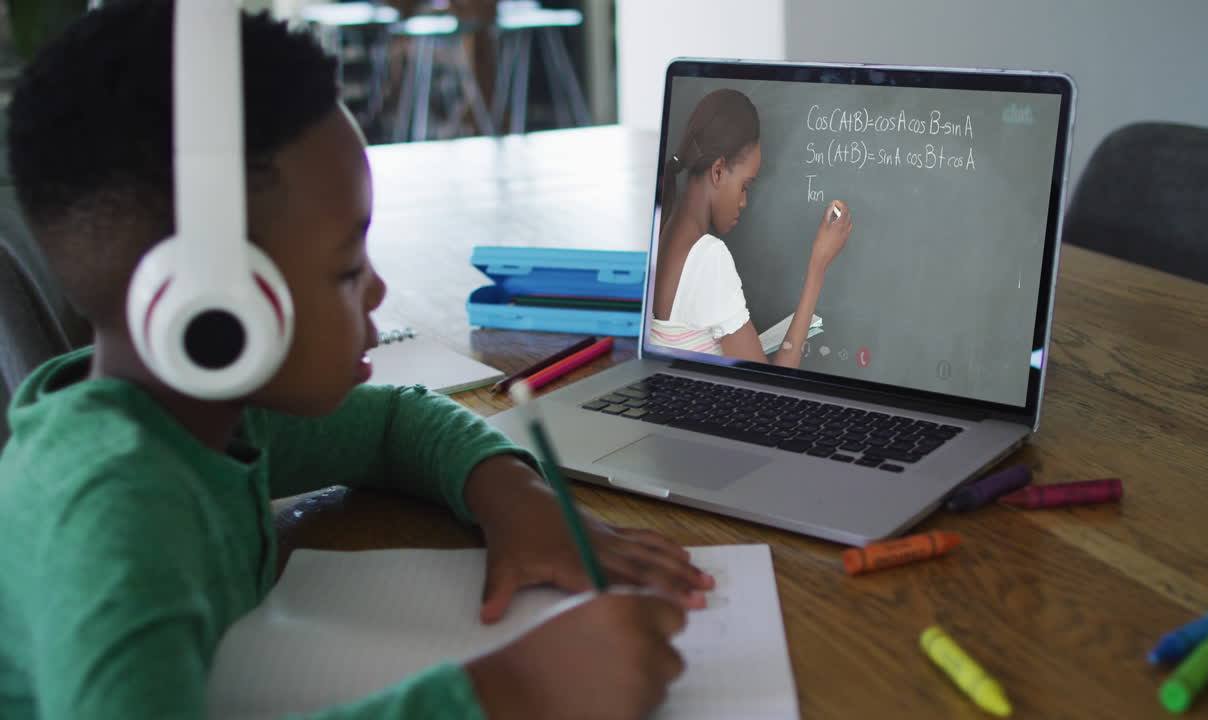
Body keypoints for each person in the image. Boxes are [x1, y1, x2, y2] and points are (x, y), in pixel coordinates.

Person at [0, 3, 711, 719]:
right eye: (345, 269)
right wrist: (510, 694)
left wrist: (517, 501)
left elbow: (392, 422)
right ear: (215, 312)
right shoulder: (113, 521)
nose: (376, 288)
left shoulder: (204, 417)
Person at [650, 88, 854, 368]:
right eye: (745, 186)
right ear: (718, 171)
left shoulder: (660, 233)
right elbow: (772, 392)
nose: (744, 202)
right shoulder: (709, 257)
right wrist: (818, 264)